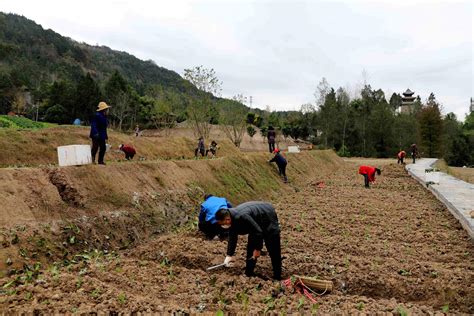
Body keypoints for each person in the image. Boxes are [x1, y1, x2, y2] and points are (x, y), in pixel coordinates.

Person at [215, 201, 282, 280]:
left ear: (227, 219)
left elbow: (258, 231)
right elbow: (232, 237)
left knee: (273, 247)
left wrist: (257, 249)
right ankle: (249, 273)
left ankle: (277, 276)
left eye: (222, 223)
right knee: (251, 247)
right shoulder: (231, 218)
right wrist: (229, 255)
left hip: (267, 215)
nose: (222, 226)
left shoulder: (242, 216)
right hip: (255, 220)